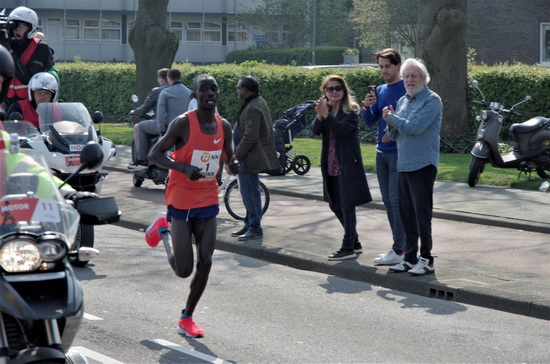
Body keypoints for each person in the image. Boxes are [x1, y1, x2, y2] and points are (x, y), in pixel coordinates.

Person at [146, 74, 239, 338]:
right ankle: (162, 230)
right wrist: (183, 167)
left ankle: (187, 317)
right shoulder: (182, 124)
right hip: (181, 199)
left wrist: (234, 166)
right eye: (204, 90)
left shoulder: (225, 126)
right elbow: (154, 154)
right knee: (183, 270)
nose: (210, 93)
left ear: (218, 95)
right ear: (194, 96)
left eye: (214, 89)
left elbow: (229, 159)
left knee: (206, 261)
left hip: (207, 199)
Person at [382, 58, 443, 276]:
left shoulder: (432, 100)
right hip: (403, 165)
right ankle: (410, 258)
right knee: (406, 214)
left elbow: (416, 128)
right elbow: (394, 133)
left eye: (414, 76)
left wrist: (394, 120)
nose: (409, 80)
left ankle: (427, 259)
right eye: (406, 76)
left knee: (421, 215)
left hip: (422, 165)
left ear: (424, 79)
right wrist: (389, 122)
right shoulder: (403, 101)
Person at [312, 75, 372, 261]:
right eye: (330, 89)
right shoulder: (326, 109)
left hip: (347, 163)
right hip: (330, 162)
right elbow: (315, 130)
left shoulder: (351, 110)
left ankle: (348, 247)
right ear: (325, 92)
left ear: (344, 90)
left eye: (338, 88)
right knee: (334, 203)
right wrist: (321, 115)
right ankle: (354, 241)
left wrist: (326, 115)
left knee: (347, 205)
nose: (335, 91)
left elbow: (341, 129)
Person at [361, 48, 407, 266]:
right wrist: (366, 106)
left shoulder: (406, 88)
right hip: (381, 152)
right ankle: (400, 247)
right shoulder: (379, 89)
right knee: (388, 201)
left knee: (397, 201)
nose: (384, 70)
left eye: (387, 66)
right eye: (380, 66)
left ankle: (400, 249)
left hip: (399, 152)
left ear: (398, 65)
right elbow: (370, 121)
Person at [231, 75, 279, 241]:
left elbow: (250, 137)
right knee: (248, 192)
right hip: (249, 156)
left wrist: (235, 155)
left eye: (238, 88)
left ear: (245, 90)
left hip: (249, 157)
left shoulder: (252, 107)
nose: (237, 90)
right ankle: (249, 223)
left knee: (250, 192)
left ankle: (255, 227)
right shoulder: (257, 102)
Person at [3, 6, 54, 108]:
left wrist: (9, 52)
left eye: (22, 26)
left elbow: (27, 78)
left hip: (29, 104)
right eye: (15, 26)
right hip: (6, 101)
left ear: (32, 28)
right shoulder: (8, 44)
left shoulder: (41, 48)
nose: (17, 30)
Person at [128, 68, 169, 168]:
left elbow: (144, 108)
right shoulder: (181, 91)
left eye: (158, 78)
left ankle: (142, 160)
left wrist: (135, 112)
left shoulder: (158, 91)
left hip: (162, 124)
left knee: (139, 127)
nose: (158, 81)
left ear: (162, 79)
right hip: (178, 124)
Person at [156, 68, 192, 137]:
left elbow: (161, 113)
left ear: (169, 78)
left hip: (171, 127)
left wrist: (162, 131)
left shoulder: (165, 92)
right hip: (186, 127)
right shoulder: (189, 92)